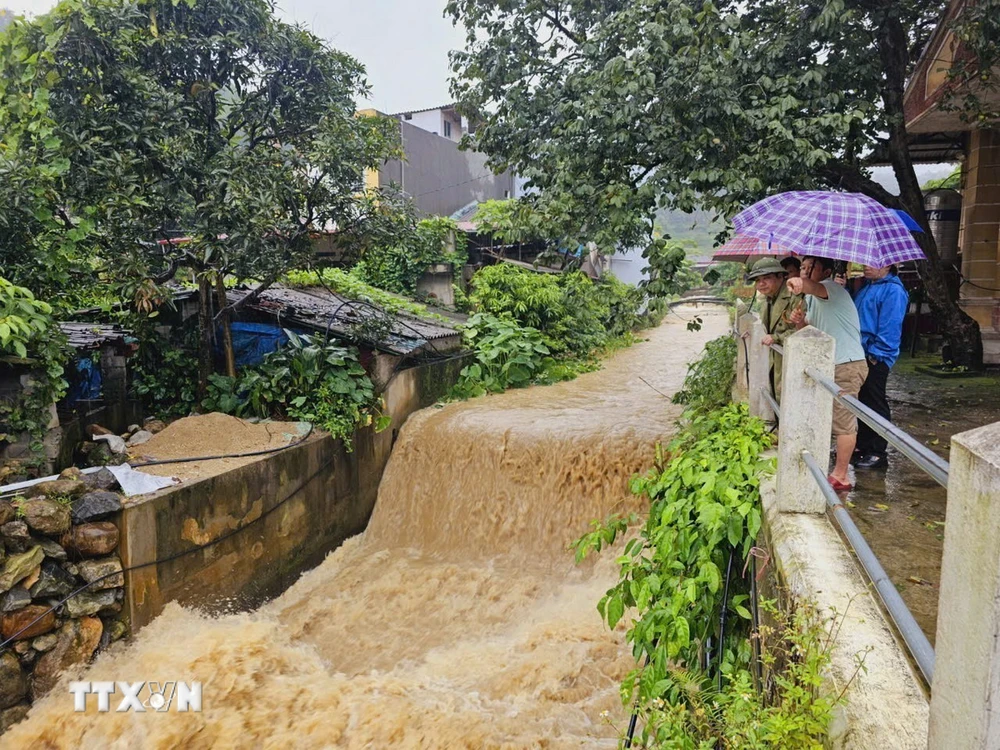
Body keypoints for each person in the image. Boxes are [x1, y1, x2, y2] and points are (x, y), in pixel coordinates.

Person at [788, 256, 868, 491]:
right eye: (801, 267)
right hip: (829, 364)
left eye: (809, 267)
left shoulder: (832, 288)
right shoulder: (813, 299)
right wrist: (800, 322)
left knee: (844, 421)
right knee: (828, 418)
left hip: (846, 364)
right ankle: (827, 467)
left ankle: (841, 476)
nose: (803, 271)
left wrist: (801, 284)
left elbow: (813, 286)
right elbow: (813, 333)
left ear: (826, 271)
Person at [851, 265, 909, 469]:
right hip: (861, 352)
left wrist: (877, 355)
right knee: (863, 400)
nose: (866, 266)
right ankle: (863, 445)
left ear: (887, 265)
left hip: (876, 356)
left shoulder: (893, 290)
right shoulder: (868, 286)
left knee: (876, 401)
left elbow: (890, 326)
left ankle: (877, 451)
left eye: (873, 263)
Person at [746, 257, 804, 402]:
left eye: (767, 278)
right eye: (757, 280)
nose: (761, 284)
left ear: (781, 276)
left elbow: (806, 330)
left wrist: (777, 338)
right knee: (778, 398)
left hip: (795, 360)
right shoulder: (768, 300)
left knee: (789, 401)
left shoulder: (795, 297)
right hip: (776, 360)